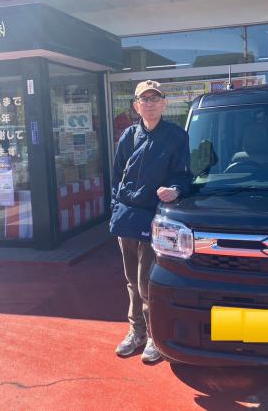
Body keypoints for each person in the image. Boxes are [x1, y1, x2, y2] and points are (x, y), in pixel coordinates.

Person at [109, 80, 192, 363]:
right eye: (144, 99)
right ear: (136, 106)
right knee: (132, 281)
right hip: (127, 218)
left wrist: (175, 190)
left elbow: (183, 175)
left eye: (155, 98)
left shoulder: (176, 137)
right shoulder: (128, 136)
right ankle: (136, 332)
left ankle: (155, 337)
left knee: (148, 283)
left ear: (164, 104)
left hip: (155, 218)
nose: (149, 104)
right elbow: (116, 176)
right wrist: (115, 208)